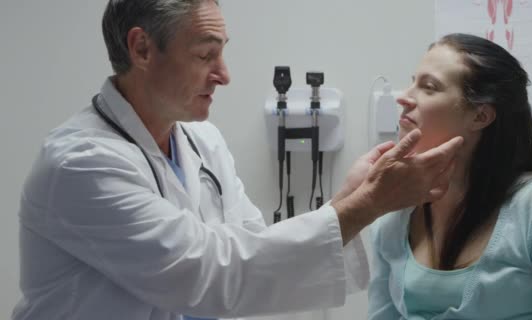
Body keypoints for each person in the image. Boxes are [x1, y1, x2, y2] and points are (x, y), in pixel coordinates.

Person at [11, 1, 464, 320]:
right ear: (142, 49)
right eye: (206, 54)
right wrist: (367, 205)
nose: (224, 74)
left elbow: (253, 257)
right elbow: (205, 274)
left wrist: (353, 197)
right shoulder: (80, 164)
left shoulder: (200, 141)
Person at [367, 33, 532, 320]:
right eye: (413, 81)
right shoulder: (395, 210)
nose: (404, 97)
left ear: (480, 117)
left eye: (429, 87)